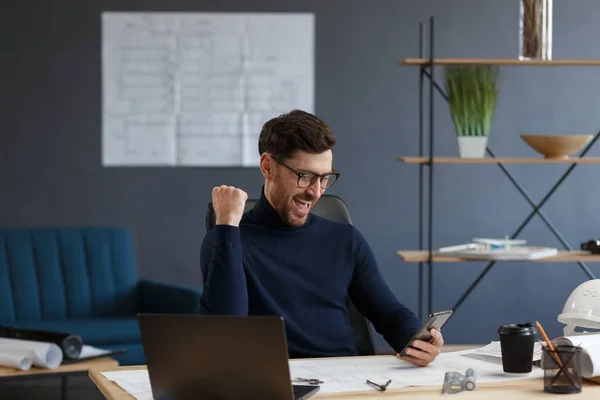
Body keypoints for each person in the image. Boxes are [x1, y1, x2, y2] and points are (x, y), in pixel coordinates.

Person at [200, 110, 444, 366]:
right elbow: (224, 333)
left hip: (347, 379)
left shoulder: (343, 238)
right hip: (276, 381)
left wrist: (418, 341)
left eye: (324, 178)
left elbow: (390, 314)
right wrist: (227, 226)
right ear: (267, 167)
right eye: (305, 176)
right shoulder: (229, 241)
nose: (315, 192)